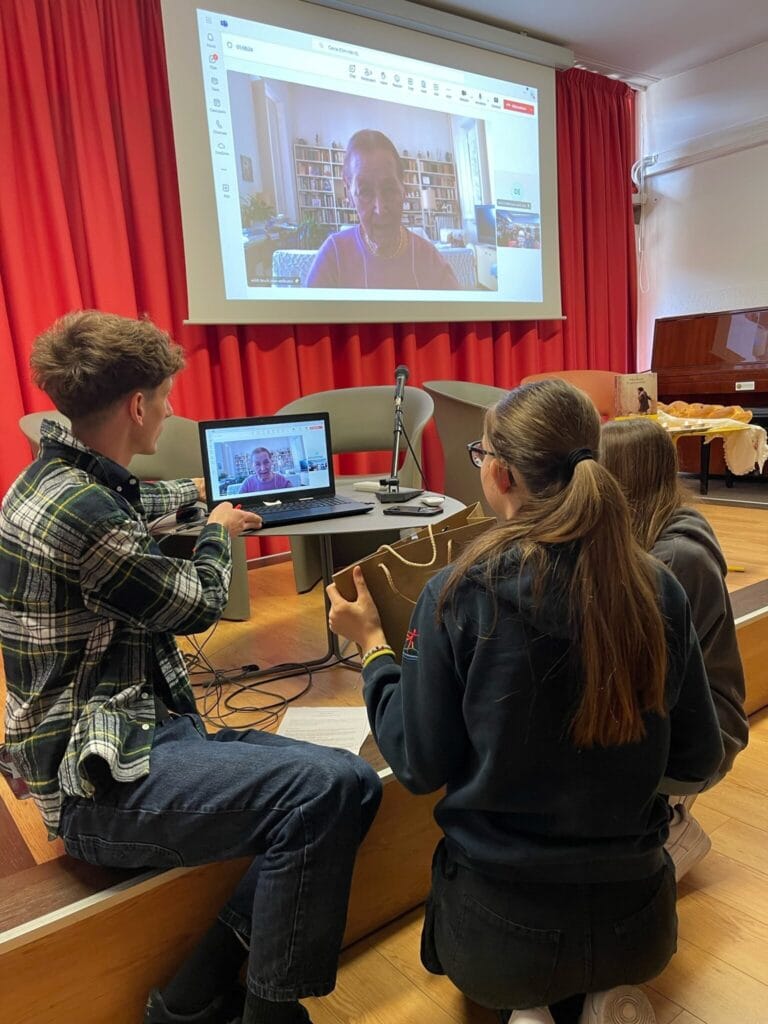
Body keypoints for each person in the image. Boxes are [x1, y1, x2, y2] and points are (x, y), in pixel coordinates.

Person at [0, 311, 382, 1024]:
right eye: (167, 398)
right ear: (138, 405)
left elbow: (139, 500)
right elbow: (196, 603)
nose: (171, 412)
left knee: (350, 787)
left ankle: (189, 997)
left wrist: (212, 503)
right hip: (94, 784)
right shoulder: (87, 514)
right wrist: (215, 534)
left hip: (129, 736)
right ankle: (269, 1012)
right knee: (329, 788)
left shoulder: (50, 478)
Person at [326, 379, 724, 1024]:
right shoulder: (658, 586)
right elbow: (698, 754)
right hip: (640, 922)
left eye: (481, 454)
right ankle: (600, 992)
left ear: (501, 474)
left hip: (500, 931)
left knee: (506, 959)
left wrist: (373, 650)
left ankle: (530, 1005)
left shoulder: (458, 592)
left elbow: (419, 764)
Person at [600, 417, 748, 879]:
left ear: (620, 478)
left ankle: (671, 836)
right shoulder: (652, 534)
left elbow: (636, 681)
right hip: (678, 714)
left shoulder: (675, 558)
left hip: (704, 732)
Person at [306, 129, 461, 290]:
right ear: (350, 196)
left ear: (404, 189)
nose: (380, 209)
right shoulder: (333, 257)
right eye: (365, 192)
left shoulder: (430, 260)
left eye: (389, 190)